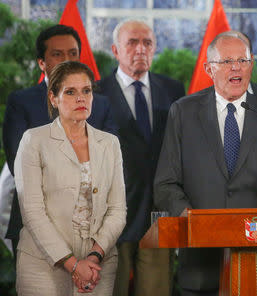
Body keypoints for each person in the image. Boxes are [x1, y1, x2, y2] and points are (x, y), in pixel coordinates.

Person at [154, 31, 257, 296]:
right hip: (202, 263)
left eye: (243, 60)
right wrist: (193, 221)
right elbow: (165, 184)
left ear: (250, 65)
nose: (236, 67)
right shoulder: (184, 111)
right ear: (208, 68)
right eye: (226, 61)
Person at [3, 24, 116, 259]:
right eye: (57, 54)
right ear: (41, 63)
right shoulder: (21, 102)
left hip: (92, 227)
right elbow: (20, 163)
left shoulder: (100, 103)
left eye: (72, 54)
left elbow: (109, 162)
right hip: (34, 226)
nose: (66, 60)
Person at [14, 61, 126, 295]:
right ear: (53, 98)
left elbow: (118, 210)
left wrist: (94, 256)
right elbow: (32, 212)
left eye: (86, 91)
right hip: (43, 264)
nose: (81, 98)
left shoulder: (109, 144)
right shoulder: (34, 140)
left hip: (99, 264)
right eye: (70, 92)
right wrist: (73, 264)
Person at [97, 19, 185, 296]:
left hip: (158, 214)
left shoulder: (173, 90)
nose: (140, 49)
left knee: (157, 290)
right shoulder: (95, 93)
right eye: (132, 42)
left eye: (147, 43)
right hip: (110, 215)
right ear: (115, 49)